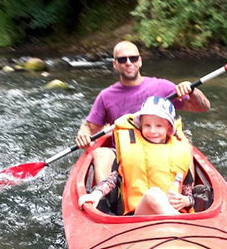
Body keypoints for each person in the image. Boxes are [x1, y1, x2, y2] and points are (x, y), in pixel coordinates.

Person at [75, 40, 210, 183]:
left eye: (133, 58)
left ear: (140, 61)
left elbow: (203, 107)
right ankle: (103, 199)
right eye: (122, 59)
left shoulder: (162, 86)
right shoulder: (106, 96)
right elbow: (90, 127)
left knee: (186, 147)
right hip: (126, 154)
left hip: (162, 147)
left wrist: (193, 91)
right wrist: (83, 133)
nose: (128, 62)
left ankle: (188, 196)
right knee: (100, 154)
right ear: (115, 64)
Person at [78, 96, 194, 216]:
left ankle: (176, 220)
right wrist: (96, 194)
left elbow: (189, 193)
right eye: (147, 125)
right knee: (153, 194)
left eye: (159, 126)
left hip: (170, 211)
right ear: (141, 126)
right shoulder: (130, 151)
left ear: (169, 128)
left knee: (156, 195)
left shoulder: (179, 152)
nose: (152, 131)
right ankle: (180, 222)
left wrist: (186, 201)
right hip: (138, 216)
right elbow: (112, 180)